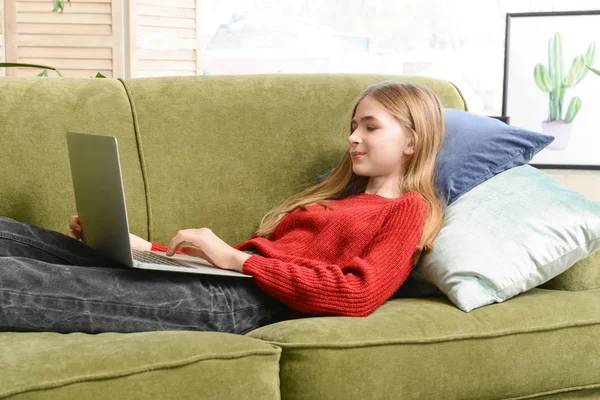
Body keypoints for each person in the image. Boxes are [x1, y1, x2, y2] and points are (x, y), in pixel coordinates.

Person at [0, 80, 445, 335]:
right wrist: (146, 247)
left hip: (244, 303)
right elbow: (247, 263)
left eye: (370, 127)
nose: (352, 138)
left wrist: (237, 258)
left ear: (412, 140)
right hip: (228, 281)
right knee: (13, 235)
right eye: (353, 127)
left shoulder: (407, 209)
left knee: (23, 280)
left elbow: (357, 295)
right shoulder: (335, 202)